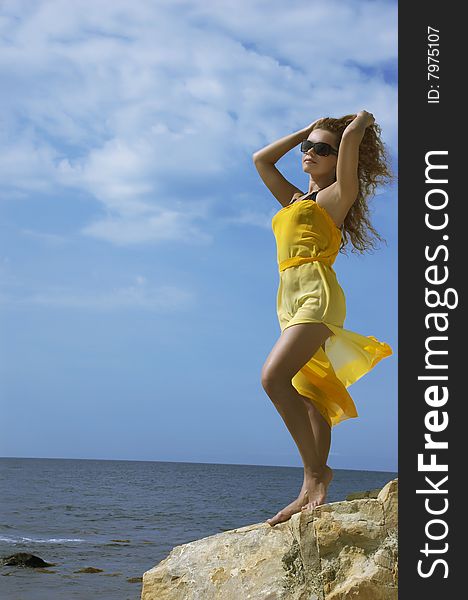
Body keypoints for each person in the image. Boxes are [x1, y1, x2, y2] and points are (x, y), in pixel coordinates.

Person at [252, 110, 394, 526]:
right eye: (307, 148)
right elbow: (261, 160)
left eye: (322, 149)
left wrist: (358, 127)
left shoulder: (337, 197)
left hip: (317, 293)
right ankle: (309, 488)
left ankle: (317, 473)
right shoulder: (296, 200)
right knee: (311, 398)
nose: (311, 153)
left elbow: (349, 147)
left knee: (273, 379)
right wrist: (306, 129)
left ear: (338, 159)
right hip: (288, 298)